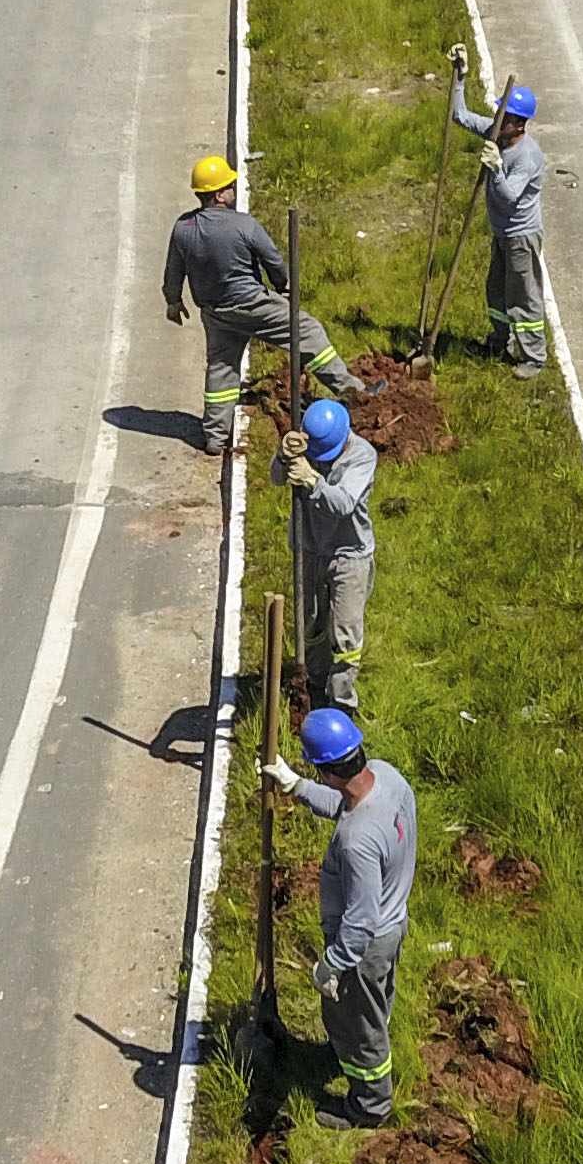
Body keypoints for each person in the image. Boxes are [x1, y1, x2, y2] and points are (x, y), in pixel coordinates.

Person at [163, 154, 376, 459]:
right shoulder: (244, 225)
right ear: (220, 194)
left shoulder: (183, 227)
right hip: (254, 306)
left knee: (221, 369)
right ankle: (351, 391)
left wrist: (173, 300)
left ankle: (214, 436)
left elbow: (174, 269)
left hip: (216, 313)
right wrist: (283, 287)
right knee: (309, 331)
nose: (233, 188)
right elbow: (273, 259)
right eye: (229, 185)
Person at [260, 706, 414, 1125]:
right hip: (394, 921)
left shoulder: (357, 842)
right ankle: (359, 1049)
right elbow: (346, 804)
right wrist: (297, 786)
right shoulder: (387, 777)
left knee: (355, 1025)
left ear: (328, 769)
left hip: (365, 946)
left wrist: (333, 963)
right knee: (373, 1008)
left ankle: (369, 1107)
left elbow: (359, 921)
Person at [446, 48, 552, 371]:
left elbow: (508, 197)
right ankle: (498, 342)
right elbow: (459, 115)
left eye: (504, 117)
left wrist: (495, 168)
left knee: (524, 296)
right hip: (501, 234)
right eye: (499, 114)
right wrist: (460, 77)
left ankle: (534, 357)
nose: (497, 121)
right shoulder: (498, 135)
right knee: (496, 292)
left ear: (519, 125)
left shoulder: (526, 156)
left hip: (521, 237)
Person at [283, 397, 376, 710]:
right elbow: (275, 478)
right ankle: (314, 684)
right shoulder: (306, 444)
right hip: (310, 549)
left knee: (346, 635)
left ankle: (341, 703)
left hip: (349, 555)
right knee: (310, 624)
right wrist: (283, 458)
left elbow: (343, 504)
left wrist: (312, 479)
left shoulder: (363, 455)